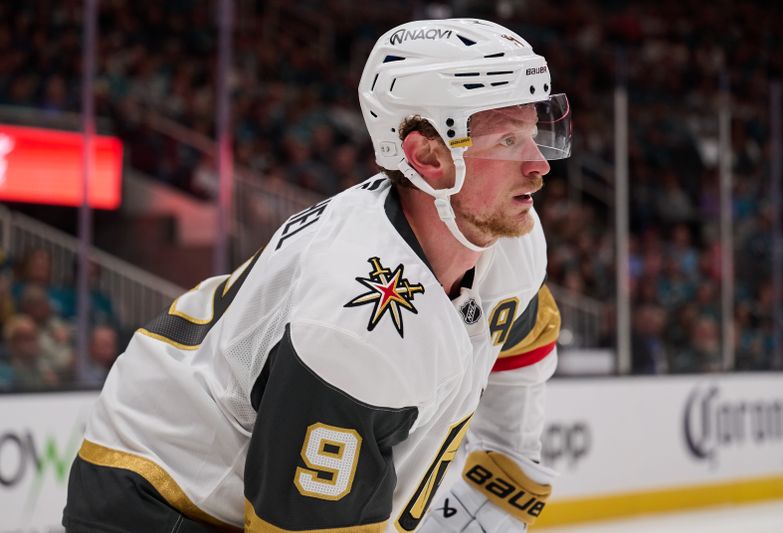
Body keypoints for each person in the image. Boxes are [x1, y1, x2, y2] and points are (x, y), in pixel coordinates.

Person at [63, 18, 571, 533]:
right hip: (157, 492)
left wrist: (508, 466)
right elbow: (300, 524)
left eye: (533, 133)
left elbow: (524, 329)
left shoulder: (511, 241)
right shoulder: (357, 324)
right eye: (508, 140)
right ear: (427, 156)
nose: (539, 165)